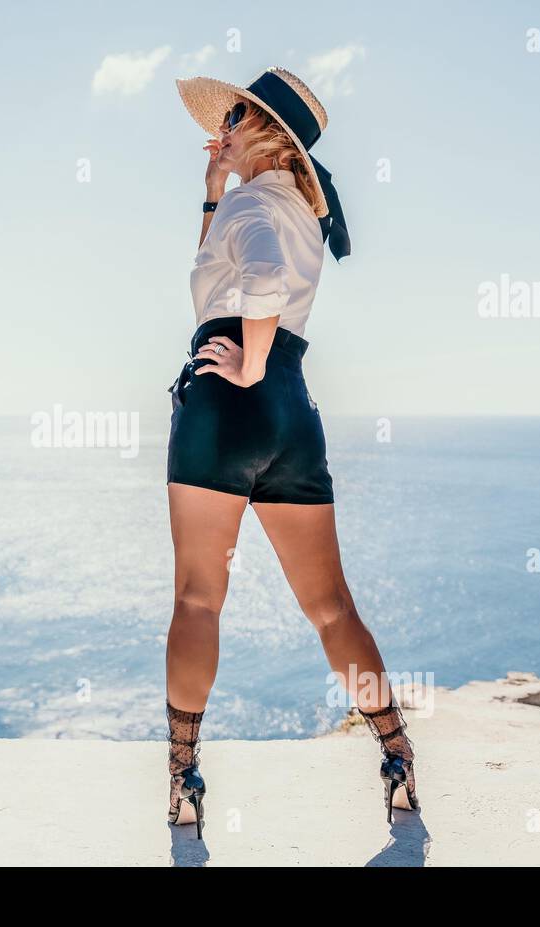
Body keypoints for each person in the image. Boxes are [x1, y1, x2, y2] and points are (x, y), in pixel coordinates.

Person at [164, 67, 418, 840]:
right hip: (291, 411)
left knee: (200, 601)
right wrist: (214, 191)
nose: (224, 126)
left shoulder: (254, 204)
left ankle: (182, 779)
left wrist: (243, 361)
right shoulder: (294, 212)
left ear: (266, 130)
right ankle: (399, 756)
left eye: (235, 116)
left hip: (225, 401)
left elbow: (253, 285)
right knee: (331, 607)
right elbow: (232, 272)